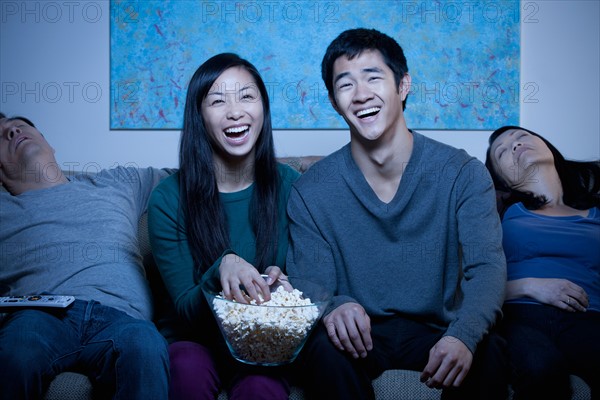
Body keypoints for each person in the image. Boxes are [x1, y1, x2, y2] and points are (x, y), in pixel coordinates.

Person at [285, 28, 508, 400]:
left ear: (403, 85)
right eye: (346, 85)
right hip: (359, 336)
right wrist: (333, 307)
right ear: (334, 101)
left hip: (440, 327)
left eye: (373, 77)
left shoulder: (461, 173)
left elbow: (487, 267)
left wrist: (464, 335)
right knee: (322, 350)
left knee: (491, 350)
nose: (361, 95)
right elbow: (310, 279)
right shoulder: (311, 190)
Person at [147, 53, 300, 400]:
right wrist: (223, 266)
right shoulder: (167, 199)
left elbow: (309, 283)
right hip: (193, 341)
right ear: (199, 116)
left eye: (247, 96)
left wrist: (287, 284)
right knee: (186, 368)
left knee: (261, 386)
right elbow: (186, 310)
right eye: (217, 101)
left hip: (265, 342)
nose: (235, 111)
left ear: (263, 107)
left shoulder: (290, 186)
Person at [0, 113, 170, 399]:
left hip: (122, 318)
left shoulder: (118, 182)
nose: (12, 130)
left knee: (146, 345)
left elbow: (203, 172)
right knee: (19, 348)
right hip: (40, 315)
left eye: (20, 124)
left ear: (48, 142)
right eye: (0, 135)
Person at [485, 125, 600, 399]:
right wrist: (530, 286)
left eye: (521, 137)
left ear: (547, 146)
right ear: (502, 180)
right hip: (521, 316)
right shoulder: (499, 211)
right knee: (542, 367)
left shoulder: (596, 211)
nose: (514, 145)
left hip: (589, 316)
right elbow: (468, 281)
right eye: (502, 152)